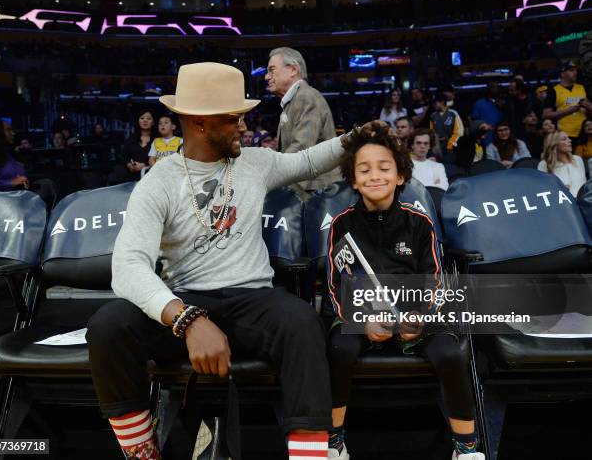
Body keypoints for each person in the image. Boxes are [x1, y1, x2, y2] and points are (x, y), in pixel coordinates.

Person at [86, 62, 362, 460]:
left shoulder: (255, 163)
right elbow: (127, 266)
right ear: (200, 123)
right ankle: (143, 451)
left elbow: (308, 162)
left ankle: (311, 454)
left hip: (250, 297)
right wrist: (187, 319)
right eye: (233, 119)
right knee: (107, 326)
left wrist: (356, 137)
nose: (244, 127)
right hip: (185, 298)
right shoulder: (159, 182)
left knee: (302, 322)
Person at [326, 122, 483, 460]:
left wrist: (419, 317)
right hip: (365, 315)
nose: (374, 176)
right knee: (339, 348)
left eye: (384, 168)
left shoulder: (419, 222)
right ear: (353, 179)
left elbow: (434, 280)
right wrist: (364, 321)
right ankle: (335, 441)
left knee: (450, 353)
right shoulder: (342, 225)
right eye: (364, 170)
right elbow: (336, 287)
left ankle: (466, 446)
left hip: (416, 314)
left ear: (400, 176)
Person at [266, 47, 341, 199]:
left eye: (272, 70)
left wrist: (270, 176)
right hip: (308, 189)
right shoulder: (294, 99)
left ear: (293, 69)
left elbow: (301, 148)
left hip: (316, 192)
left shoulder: (305, 97)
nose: (267, 77)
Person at [543, 61, 592, 141]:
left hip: (585, 134)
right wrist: (568, 111)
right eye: (571, 70)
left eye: (576, 70)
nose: (575, 72)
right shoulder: (554, 90)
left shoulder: (583, 88)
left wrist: (589, 106)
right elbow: (546, 114)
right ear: (562, 74)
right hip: (565, 136)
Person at [108, 109, 156, 185]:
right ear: (138, 121)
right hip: (131, 178)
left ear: (153, 122)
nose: (145, 121)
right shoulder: (132, 138)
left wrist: (145, 165)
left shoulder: (157, 140)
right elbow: (122, 156)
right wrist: (129, 165)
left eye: (148, 118)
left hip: (151, 177)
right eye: (142, 118)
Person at [538, 131, 586, 196]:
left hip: (583, 203)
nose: (569, 140)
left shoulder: (578, 159)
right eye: (564, 139)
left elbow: (584, 184)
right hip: (562, 204)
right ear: (554, 144)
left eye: (568, 138)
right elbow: (543, 190)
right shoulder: (543, 165)